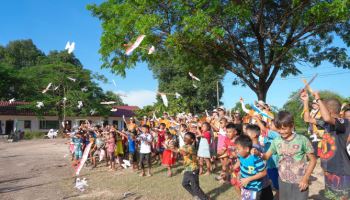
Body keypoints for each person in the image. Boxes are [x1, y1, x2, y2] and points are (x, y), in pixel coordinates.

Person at [302, 91, 350, 199]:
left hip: (340, 172)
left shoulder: (344, 123)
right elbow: (307, 119)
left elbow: (328, 118)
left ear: (328, 110)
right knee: (330, 197)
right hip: (329, 170)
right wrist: (305, 102)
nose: (319, 111)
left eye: (321, 108)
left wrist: (318, 99)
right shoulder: (326, 124)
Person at [261, 111, 316, 200]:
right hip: (283, 181)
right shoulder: (276, 141)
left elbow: (313, 160)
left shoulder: (302, 140)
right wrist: (257, 153)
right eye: (279, 129)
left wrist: (305, 178)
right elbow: (266, 156)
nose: (281, 132)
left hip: (300, 181)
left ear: (292, 125)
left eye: (284, 128)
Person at [233, 135, 268, 200]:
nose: (236, 151)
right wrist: (239, 173)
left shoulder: (255, 159)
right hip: (245, 186)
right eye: (236, 149)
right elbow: (241, 164)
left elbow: (264, 173)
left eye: (238, 149)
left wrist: (248, 179)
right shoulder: (241, 156)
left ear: (247, 149)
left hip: (254, 189)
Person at [246, 125, 274, 200]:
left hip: (255, 184)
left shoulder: (252, 149)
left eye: (246, 133)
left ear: (254, 135)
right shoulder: (260, 146)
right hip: (265, 182)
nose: (245, 135)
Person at [180, 132, 209, 200]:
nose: (184, 139)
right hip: (187, 169)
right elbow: (178, 150)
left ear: (192, 140)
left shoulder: (192, 147)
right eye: (184, 137)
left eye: (187, 138)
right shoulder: (184, 146)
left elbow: (185, 153)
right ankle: (197, 195)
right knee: (185, 184)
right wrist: (169, 147)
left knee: (195, 187)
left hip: (193, 169)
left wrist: (181, 151)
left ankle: (205, 198)